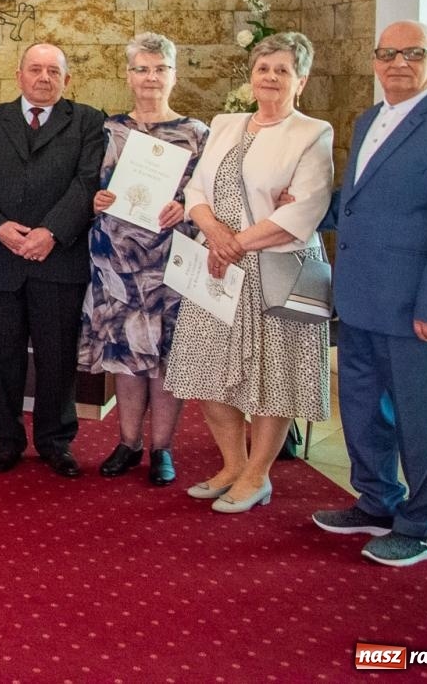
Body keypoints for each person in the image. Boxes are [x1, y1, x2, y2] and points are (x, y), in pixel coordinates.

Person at [311, 21, 427, 565]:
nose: (398, 63)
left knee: (419, 418)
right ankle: (375, 501)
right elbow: (359, 198)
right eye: (387, 53)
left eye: (413, 53)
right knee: (363, 409)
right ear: (375, 62)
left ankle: (420, 524)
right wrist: (300, 204)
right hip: (362, 298)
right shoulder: (371, 118)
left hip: (418, 308)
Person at [164, 31, 333, 514]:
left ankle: (258, 475)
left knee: (271, 377)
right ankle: (233, 465)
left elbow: (303, 211)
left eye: (283, 70)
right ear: (251, 76)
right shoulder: (225, 123)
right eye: (264, 69)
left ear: (301, 80)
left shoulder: (312, 132)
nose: (271, 78)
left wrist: (235, 243)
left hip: (275, 269)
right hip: (215, 266)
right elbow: (195, 190)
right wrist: (216, 233)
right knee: (203, 370)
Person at [0, 43, 104, 478]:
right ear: (19, 75)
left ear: (67, 79)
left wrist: (52, 232)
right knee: (3, 357)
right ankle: (6, 442)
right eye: (35, 69)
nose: (44, 78)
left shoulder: (89, 122)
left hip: (59, 259)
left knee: (57, 358)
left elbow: (87, 182)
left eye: (53, 71)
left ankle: (55, 442)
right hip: (3, 258)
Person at [77, 33, 209, 486]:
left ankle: (162, 449)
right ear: (128, 75)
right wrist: (94, 198)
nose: (150, 77)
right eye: (141, 69)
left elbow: (213, 194)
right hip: (116, 259)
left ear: (174, 74)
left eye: (160, 69)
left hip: (171, 261)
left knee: (167, 357)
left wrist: (188, 206)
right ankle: (128, 443)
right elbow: (86, 183)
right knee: (126, 354)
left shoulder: (197, 133)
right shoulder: (108, 129)